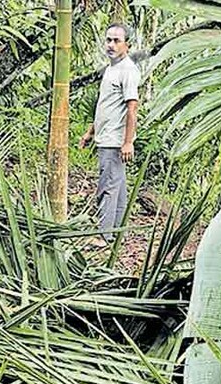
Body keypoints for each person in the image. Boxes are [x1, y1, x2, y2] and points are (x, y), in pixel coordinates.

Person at [78, 23, 140, 243]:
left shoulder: (128, 71)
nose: (111, 45)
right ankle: (115, 234)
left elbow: (132, 108)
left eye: (116, 41)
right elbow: (105, 107)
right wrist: (90, 132)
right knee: (118, 187)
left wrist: (127, 142)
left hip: (115, 140)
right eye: (109, 40)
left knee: (107, 188)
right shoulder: (111, 69)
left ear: (127, 45)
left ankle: (102, 237)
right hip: (105, 136)